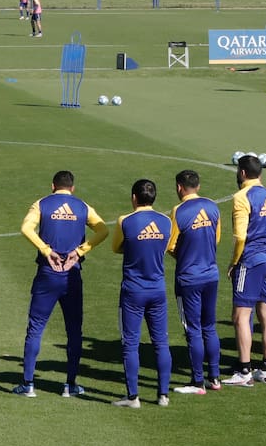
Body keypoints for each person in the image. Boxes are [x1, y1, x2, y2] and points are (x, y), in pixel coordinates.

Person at [14, 170, 109, 397]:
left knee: (36, 328)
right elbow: (103, 230)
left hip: (47, 273)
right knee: (74, 330)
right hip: (72, 274)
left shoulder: (42, 204)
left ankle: (28, 384)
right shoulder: (83, 206)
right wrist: (80, 251)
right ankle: (70, 385)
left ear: (52, 186)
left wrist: (46, 250)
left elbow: (26, 228)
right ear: (72, 188)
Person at [223, 154, 266, 387]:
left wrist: (234, 262)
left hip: (250, 261)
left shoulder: (241, 197)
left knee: (241, 316)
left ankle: (244, 371)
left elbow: (241, 236)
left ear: (242, 173)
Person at [111, 179, 173, 408]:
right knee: (161, 343)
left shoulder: (125, 221)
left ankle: (133, 397)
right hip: (157, 289)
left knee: (130, 343)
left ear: (134, 197)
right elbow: (165, 247)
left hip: (133, 291)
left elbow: (116, 247)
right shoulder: (166, 221)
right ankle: (163, 395)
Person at [167, 169, 222, 395]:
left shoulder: (178, 211)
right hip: (211, 274)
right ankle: (215, 377)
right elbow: (217, 238)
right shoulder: (213, 206)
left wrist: (186, 256)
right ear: (198, 186)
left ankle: (198, 382)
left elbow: (171, 245)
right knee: (209, 326)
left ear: (179, 187)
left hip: (188, 278)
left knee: (193, 329)